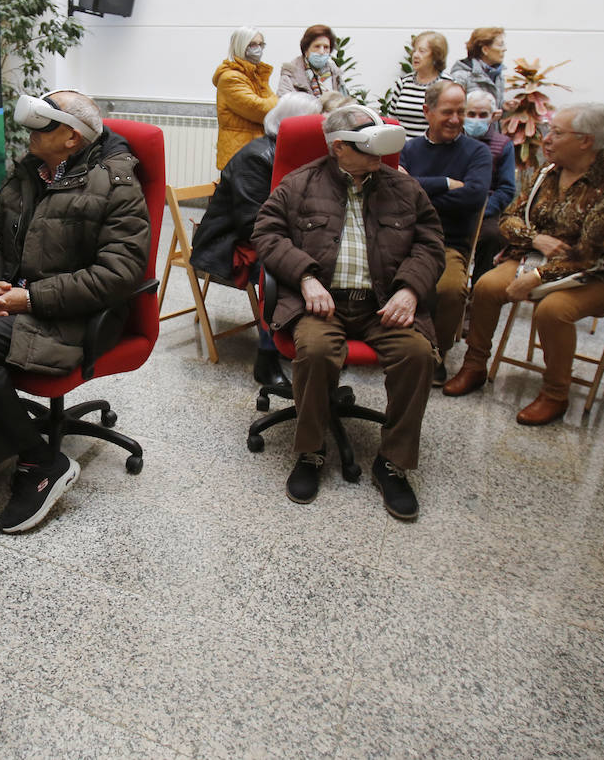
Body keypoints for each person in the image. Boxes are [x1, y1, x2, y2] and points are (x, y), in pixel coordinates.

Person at [0, 90, 150, 533]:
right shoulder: (28, 174)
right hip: (16, 299)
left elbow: (118, 275)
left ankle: (41, 463)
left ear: (71, 138)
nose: (30, 135)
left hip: (73, 313)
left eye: (42, 127)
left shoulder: (116, 184)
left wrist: (31, 298)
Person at [253, 106, 444, 520]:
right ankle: (310, 453)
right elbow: (266, 233)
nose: (381, 158)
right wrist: (304, 277)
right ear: (339, 147)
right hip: (321, 304)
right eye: (368, 148)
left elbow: (431, 243)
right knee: (317, 352)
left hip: (385, 305)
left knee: (418, 355)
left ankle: (392, 462)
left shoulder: (404, 188)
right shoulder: (298, 183)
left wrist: (411, 289)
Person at [443, 102, 604, 426]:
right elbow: (508, 219)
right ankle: (475, 366)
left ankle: (556, 394)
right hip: (534, 257)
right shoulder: (547, 173)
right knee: (487, 285)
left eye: (557, 132)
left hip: (598, 276)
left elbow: (588, 255)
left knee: (553, 310)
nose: (546, 138)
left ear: (585, 140)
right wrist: (535, 239)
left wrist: (535, 277)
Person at [190, 92, 323, 391]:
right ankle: (267, 357)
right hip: (229, 241)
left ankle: (304, 341)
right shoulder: (256, 156)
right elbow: (253, 223)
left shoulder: (291, 154)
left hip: (266, 235)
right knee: (278, 269)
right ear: (293, 125)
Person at [398, 81, 492, 384]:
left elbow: (474, 197)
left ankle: (435, 354)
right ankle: (395, 349)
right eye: (447, 112)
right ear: (428, 112)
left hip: (447, 243)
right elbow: (399, 194)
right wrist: (447, 183)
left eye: (460, 112)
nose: (456, 119)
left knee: (451, 290)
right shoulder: (409, 149)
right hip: (404, 239)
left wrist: (419, 186)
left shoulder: (478, 153)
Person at [462, 90, 518, 284]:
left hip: (486, 207)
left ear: (494, 116)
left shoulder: (503, 145)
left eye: (482, 115)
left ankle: (479, 288)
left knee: (492, 236)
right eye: (471, 114)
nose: (476, 119)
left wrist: (483, 210)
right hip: (455, 203)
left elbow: (507, 188)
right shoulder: (453, 140)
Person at [213, 27, 279, 169]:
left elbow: (271, 104)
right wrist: (282, 101)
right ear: (241, 45)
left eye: (261, 44)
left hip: (254, 152)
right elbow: (262, 110)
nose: (258, 49)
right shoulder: (230, 78)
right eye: (253, 44)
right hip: (238, 155)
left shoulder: (256, 75)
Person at [385, 31, 449, 138]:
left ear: (436, 55)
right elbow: (392, 120)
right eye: (414, 51)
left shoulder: (447, 85)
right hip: (402, 150)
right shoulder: (404, 82)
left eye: (422, 51)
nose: (415, 55)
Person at [447, 27, 508, 110]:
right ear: (485, 50)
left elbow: (495, 110)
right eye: (500, 45)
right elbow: (454, 110)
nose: (505, 49)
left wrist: (505, 108)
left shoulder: (498, 75)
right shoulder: (461, 76)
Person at [278, 25, 345, 98]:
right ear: (306, 49)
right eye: (317, 46)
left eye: (326, 47)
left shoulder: (335, 72)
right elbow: (284, 102)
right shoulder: (290, 71)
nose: (321, 51)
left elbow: (346, 102)